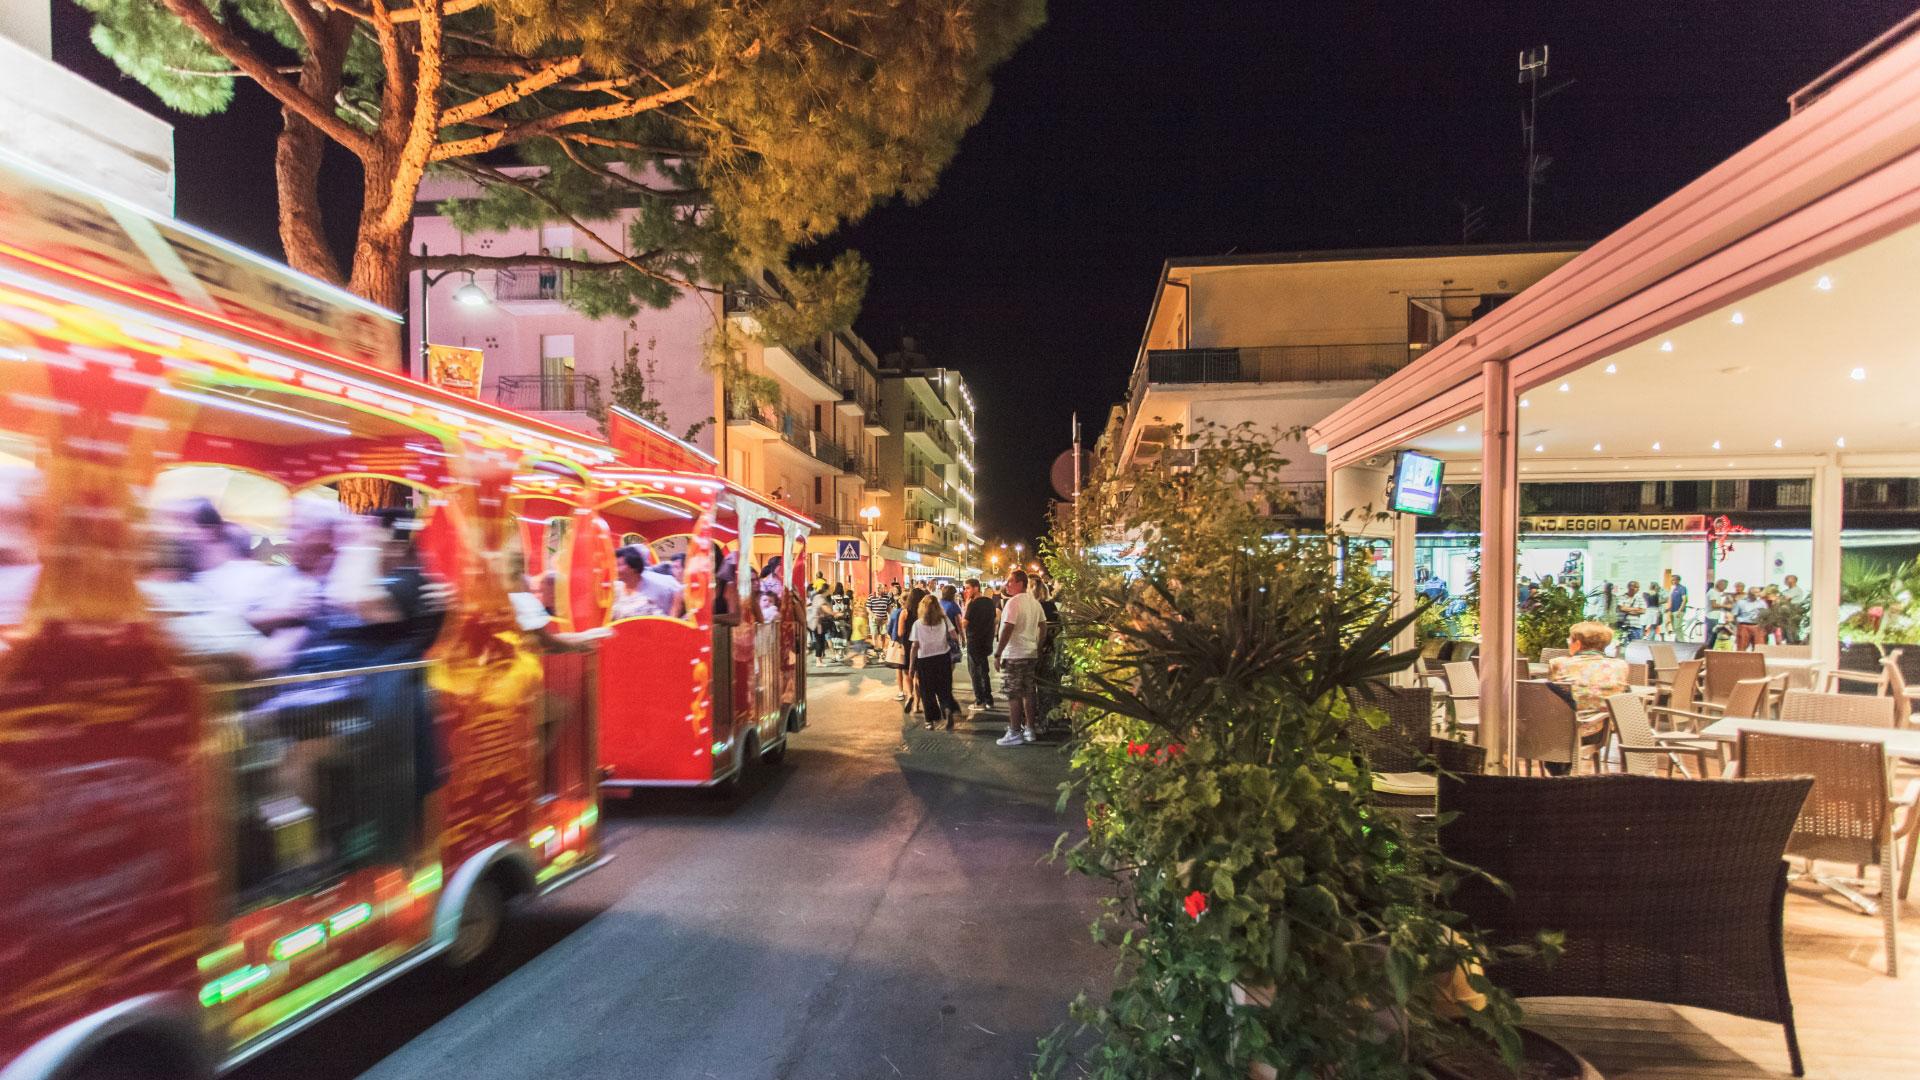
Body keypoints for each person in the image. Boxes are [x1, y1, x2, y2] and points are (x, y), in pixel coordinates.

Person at [1544, 621, 1631, 776]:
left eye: (1569, 639)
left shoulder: (1558, 664)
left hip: (1558, 732)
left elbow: (1552, 698)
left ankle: (1558, 775)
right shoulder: (1620, 666)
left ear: (1577, 643)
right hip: (1596, 731)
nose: (1568, 642)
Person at [994, 569, 1046, 746]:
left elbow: (1008, 627)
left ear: (1020, 584)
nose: (1007, 584)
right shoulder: (1034, 602)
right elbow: (1043, 626)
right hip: (1030, 653)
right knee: (1029, 692)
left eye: (1010, 581)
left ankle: (1015, 731)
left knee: (1014, 694)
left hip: (1014, 654)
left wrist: (998, 653)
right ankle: (1030, 728)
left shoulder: (1013, 602)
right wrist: (1037, 646)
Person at [907, 594, 961, 730]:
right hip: (942, 658)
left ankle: (929, 721)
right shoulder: (943, 620)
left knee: (927, 691)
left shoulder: (918, 624)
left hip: (925, 660)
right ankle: (948, 710)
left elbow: (915, 646)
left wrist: (911, 665)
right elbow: (954, 636)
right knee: (944, 688)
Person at [962, 578, 997, 713]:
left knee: (975, 672)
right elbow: (994, 620)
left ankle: (980, 700)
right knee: (984, 671)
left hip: (974, 640)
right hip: (986, 641)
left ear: (976, 588)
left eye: (968, 588)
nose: (966, 591)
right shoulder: (989, 602)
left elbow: (964, 623)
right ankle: (989, 699)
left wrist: (966, 606)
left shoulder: (973, 603)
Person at [894, 586, 928, 705]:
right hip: (921, 643)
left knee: (908, 672)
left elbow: (900, 632)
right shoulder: (924, 612)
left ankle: (909, 695)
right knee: (918, 674)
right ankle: (918, 703)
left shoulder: (904, 612)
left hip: (908, 644)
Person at [1733, 585, 1767, 650]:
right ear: (1750, 593)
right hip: (1744, 626)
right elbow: (1734, 615)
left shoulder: (1762, 603)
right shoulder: (1741, 602)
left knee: (1759, 647)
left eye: (1759, 592)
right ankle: (1740, 659)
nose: (1758, 594)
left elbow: (1765, 616)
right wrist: (1738, 626)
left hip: (1757, 626)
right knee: (1741, 647)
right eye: (1756, 592)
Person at [808, 587, 832, 660]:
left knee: (821, 640)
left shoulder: (819, 597)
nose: (830, 591)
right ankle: (818, 659)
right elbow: (824, 608)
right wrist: (833, 613)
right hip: (818, 623)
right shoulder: (819, 598)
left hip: (819, 622)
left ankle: (820, 658)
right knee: (819, 640)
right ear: (826, 590)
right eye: (829, 589)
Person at [1704, 578, 1729, 647]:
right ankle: (1707, 650)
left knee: (1712, 635)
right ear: (1720, 585)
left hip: (1713, 617)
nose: (1725, 588)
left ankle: (1709, 649)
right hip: (1711, 617)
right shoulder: (1713, 592)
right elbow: (1714, 605)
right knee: (1711, 635)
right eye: (1725, 586)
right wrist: (1726, 606)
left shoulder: (1716, 593)